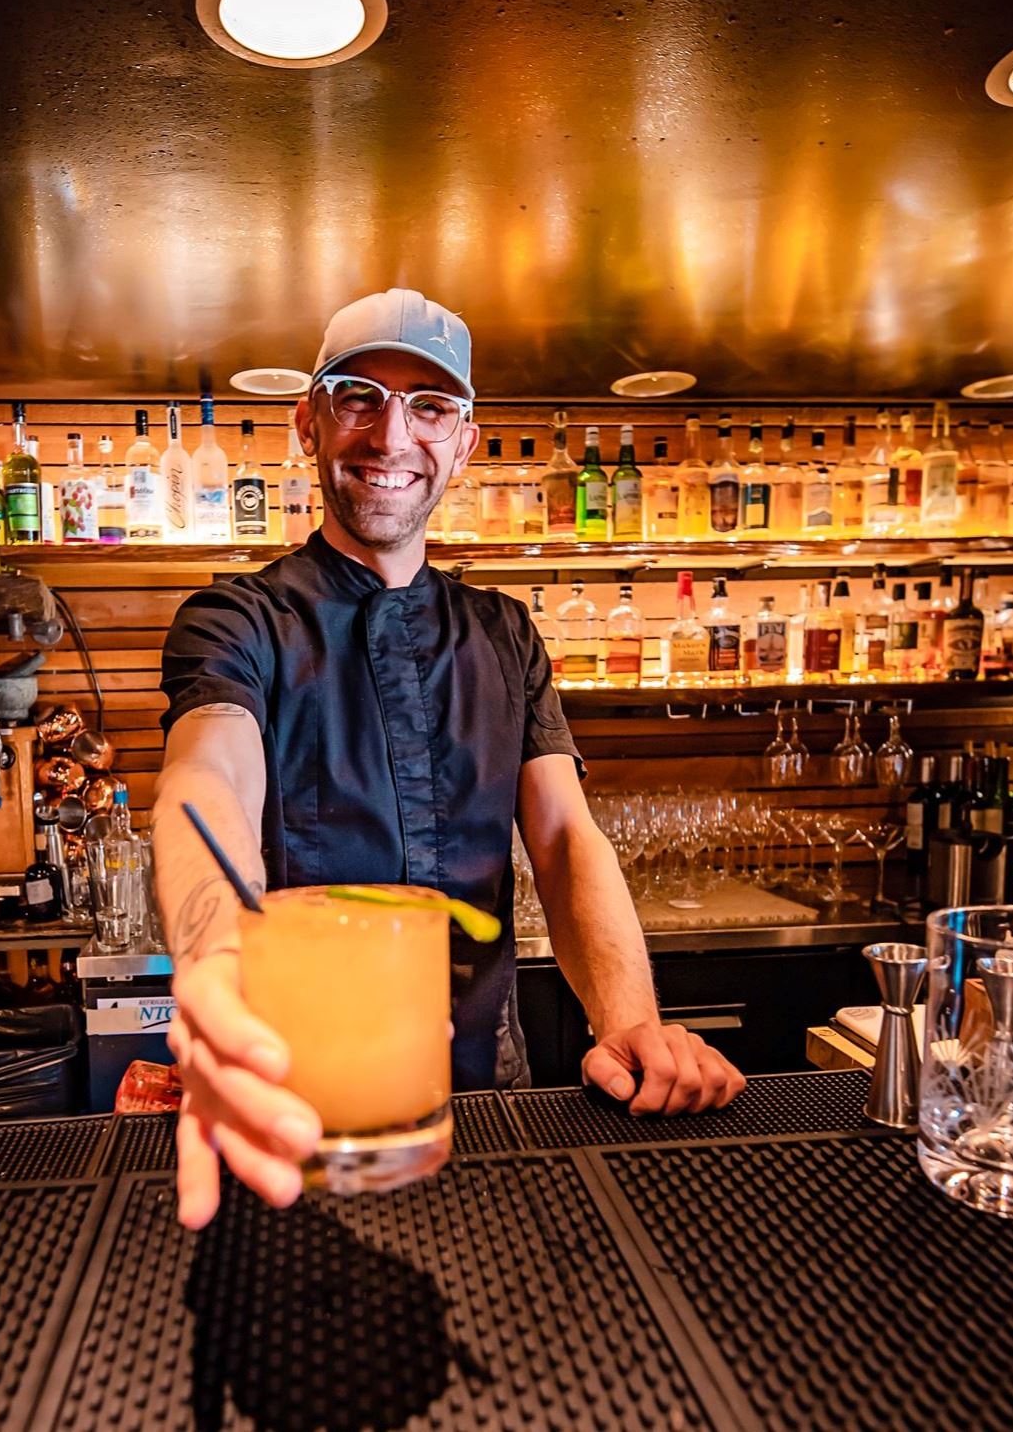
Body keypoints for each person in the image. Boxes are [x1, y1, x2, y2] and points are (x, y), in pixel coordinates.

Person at [154, 288, 745, 1228]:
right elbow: (205, 779)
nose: (391, 436)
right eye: (358, 396)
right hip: (295, 1074)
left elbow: (561, 840)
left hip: (487, 1072)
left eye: (429, 406)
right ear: (308, 422)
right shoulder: (239, 620)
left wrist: (628, 1020)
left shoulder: (503, 633)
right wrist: (212, 953)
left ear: (464, 443)